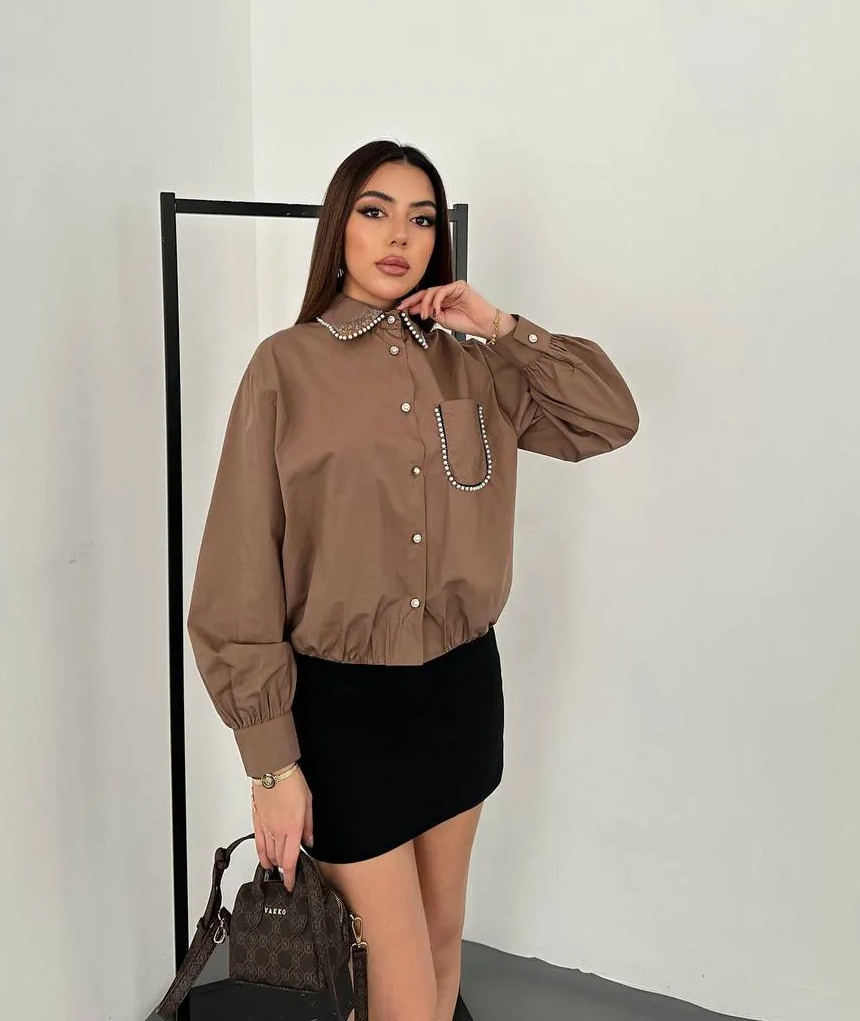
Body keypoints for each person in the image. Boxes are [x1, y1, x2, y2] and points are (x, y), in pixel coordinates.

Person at [186, 139, 639, 1021]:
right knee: (392, 964)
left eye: (421, 219)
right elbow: (238, 568)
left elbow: (608, 419)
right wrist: (270, 764)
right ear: (339, 227)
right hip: (344, 709)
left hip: (461, 691)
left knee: (439, 940)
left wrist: (501, 327)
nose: (400, 235)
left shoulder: (476, 364)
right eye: (375, 211)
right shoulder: (285, 367)